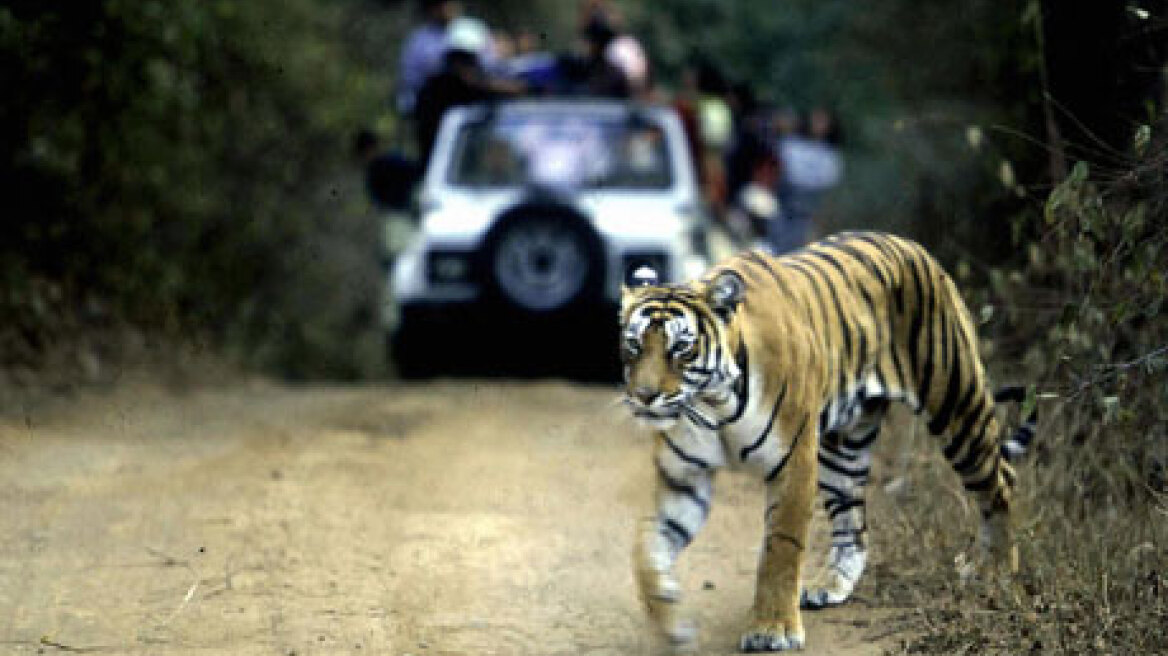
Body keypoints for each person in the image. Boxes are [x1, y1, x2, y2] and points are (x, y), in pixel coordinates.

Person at [413, 18, 524, 167]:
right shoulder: (433, 92)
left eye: (467, 59)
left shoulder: (493, 92)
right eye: (456, 58)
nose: (461, 66)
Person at [771, 106, 843, 253]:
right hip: (785, 203)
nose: (818, 125)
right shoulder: (791, 145)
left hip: (811, 209)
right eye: (816, 120)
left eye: (823, 121)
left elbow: (828, 187)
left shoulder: (831, 155)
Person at [397, 0, 462, 114]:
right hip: (430, 104)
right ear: (433, 10)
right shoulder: (419, 41)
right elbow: (411, 79)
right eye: (445, 4)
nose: (451, 7)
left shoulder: (471, 31)